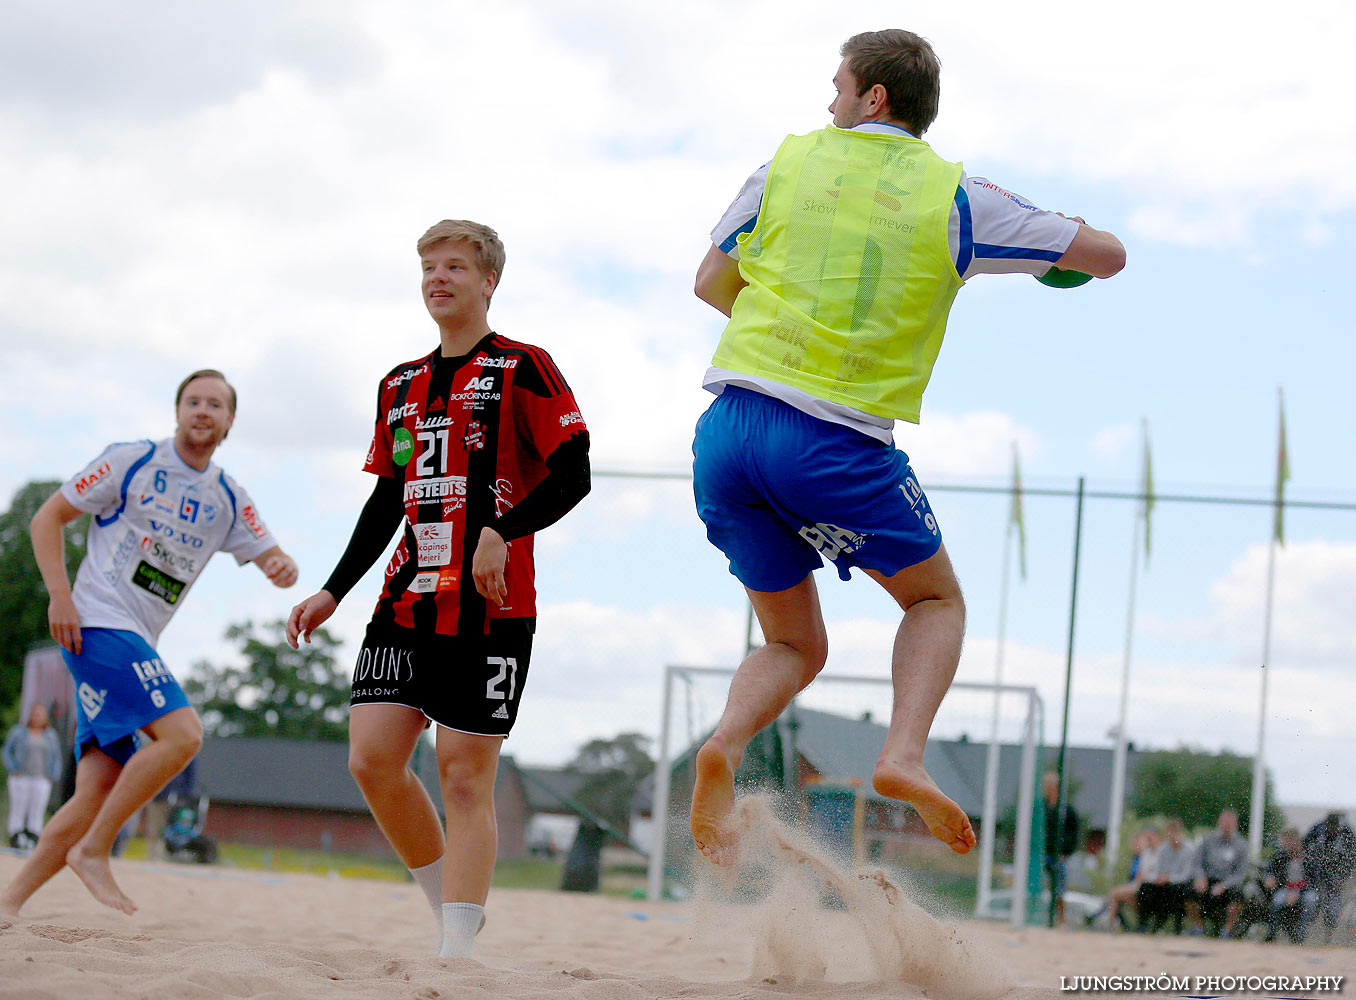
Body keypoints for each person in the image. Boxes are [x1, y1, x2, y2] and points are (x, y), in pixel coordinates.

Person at [687, 28, 1125, 866]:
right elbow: (1107, 258)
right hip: (836, 439)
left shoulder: (784, 162)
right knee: (934, 603)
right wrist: (1061, 236)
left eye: (838, 84)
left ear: (873, 96)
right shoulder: (956, 196)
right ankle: (901, 756)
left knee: (792, 644)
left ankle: (727, 742)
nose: (829, 100)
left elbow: (709, 279)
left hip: (728, 430)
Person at [286, 220, 590, 958]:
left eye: (455, 265)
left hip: (493, 606)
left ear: (489, 281)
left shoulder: (526, 367)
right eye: (428, 266)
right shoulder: (399, 384)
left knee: (463, 775)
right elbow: (388, 499)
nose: (438, 277)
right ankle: (450, 908)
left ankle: (456, 955)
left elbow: (573, 471)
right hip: (407, 597)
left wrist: (502, 530)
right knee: (372, 759)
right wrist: (332, 590)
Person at [0, 370, 297, 917]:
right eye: (193, 401)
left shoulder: (228, 496)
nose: (202, 411)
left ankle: (8, 906)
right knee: (184, 736)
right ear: (177, 410)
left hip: (138, 636)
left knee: (97, 785)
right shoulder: (133, 460)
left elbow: (271, 552)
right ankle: (93, 851)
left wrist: (279, 565)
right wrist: (59, 595)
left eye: (215, 404)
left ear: (230, 421)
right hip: (94, 620)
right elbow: (49, 518)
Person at [4, 704, 64, 849]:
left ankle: (33, 837)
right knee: (19, 807)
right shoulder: (18, 732)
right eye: (35, 714)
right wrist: (13, 769)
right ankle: (16, 837)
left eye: (40, 714)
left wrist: (52, 775)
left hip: (41, 778)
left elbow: (56, 756)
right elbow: (7, 751)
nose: (37, 717)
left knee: (37, 809)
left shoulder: (50, 735)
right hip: (21, 776)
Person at [1187, 807, 1248, 937]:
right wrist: (1200, 878)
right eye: (1224, 823)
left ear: (1235, 825)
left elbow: (1240, 874)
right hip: (1207, 880)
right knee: (1187, 892)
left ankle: (1227, 930)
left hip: (1228, 884)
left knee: (1239, 896)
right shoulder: (1207, 840)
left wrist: (1224, 885)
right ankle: (1198, 927)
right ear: (1219, 823)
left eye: (1230, 823)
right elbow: (1197, 863)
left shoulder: (1241, 845)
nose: (1226, 826)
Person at [1302, 811, 1356, 943]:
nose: (1332, 831)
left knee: (1333, 908)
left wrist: (1343, 878)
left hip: (1336, 879)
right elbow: (1305, 852)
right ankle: (1306, 935)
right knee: (1312, 903)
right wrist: (1310, 878)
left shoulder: (1346, 833)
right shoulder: (1317, 831)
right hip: (1317, 877)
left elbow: (1352, 859)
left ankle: (1328, 937)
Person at [1137, 819, 1196, 933]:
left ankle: (1177, 927)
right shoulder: (1163, 848)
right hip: (1165, 883)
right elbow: (1158, 870)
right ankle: (1144, 924)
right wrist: (1157, 878)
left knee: (1178, 891)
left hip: (1181, 884)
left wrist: (1169, 877)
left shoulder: (1189, 848)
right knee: (1145, 888)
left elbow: (1187, 875)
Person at [1263, 826, 1317, 944]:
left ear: (1297, 840)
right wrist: (1269, 878)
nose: (1286, 845)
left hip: (1305, 890)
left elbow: (1315, 881)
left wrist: (1298, 892)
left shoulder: (1309, 856)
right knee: (1277, 900)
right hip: (1285, 889)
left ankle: (1301, 933)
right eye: (1284, 842)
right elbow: (1269, 870)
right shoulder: (1281, 855)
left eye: (1288, 842)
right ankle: (1273, 933)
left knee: (1311, 900)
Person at [1041, 771, 1080, 926]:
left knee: (1059, 889)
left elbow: (1074, 832)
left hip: (1059, 856)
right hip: (1042, 854)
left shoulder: (1066, 810)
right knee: (1038, 887)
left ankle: (1060, 920)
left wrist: (1066, 851)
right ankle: (1043, 917)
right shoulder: (1040, 808)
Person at [143, 755, 198, 861]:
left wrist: (187, 796)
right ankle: (153, 854)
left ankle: (169, 854)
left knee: (173, 827)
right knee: (154, 826)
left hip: (177, 797)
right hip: (158, 795)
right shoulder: (159, 749)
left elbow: (191, 774)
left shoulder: (188, 749)